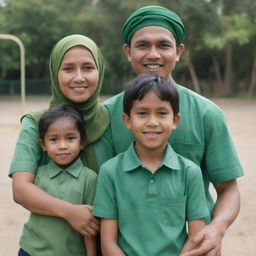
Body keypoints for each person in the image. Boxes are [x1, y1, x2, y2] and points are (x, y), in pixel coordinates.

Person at [102, 6, 244, 256]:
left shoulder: (206, 114)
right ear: (128, 51)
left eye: (164, 45)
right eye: (143, 45)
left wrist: (217, 228)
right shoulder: (106, 115)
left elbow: (228, 188)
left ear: (178, 51)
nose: (153, 54)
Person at [9, 34, 112, 250]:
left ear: (99, 71)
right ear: (55, 72)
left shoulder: (114, 120)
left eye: (87, 68)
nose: (78, 77)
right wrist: (70, 212)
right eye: (68, 69)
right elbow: (21, 189)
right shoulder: (36, 123)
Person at [93, 74, 209, 256]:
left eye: (162, 113)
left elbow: (196, 238)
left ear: (175, 121)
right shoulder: (109, 172)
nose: (152, 122)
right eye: (142, 113)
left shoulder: (190, 172)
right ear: (127, 120)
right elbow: (108, 243)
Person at [18, 104, 97, 256]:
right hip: (30, 251)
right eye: (54, 140)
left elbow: (90, 227)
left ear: (82, 142)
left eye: (70, 138)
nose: (62, 146)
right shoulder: (38, 175)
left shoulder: (89, 178)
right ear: (43, 145)